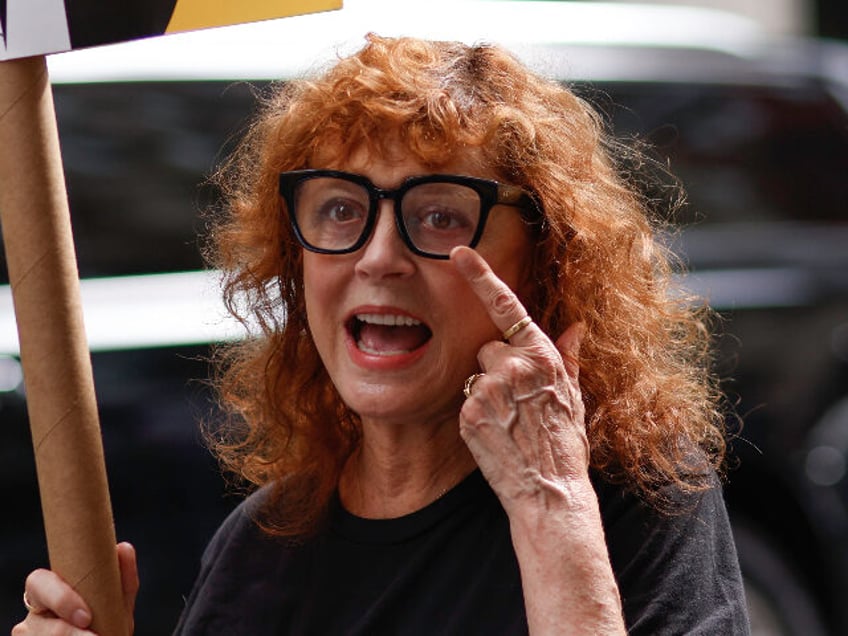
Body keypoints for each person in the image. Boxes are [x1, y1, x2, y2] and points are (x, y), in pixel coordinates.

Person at [13, 34, 750, 635]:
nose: (378, 257)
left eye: (440, 215)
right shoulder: (264, 545)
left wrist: (550, 502)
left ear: (545, 264)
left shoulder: (630, 504)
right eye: (339, 210)